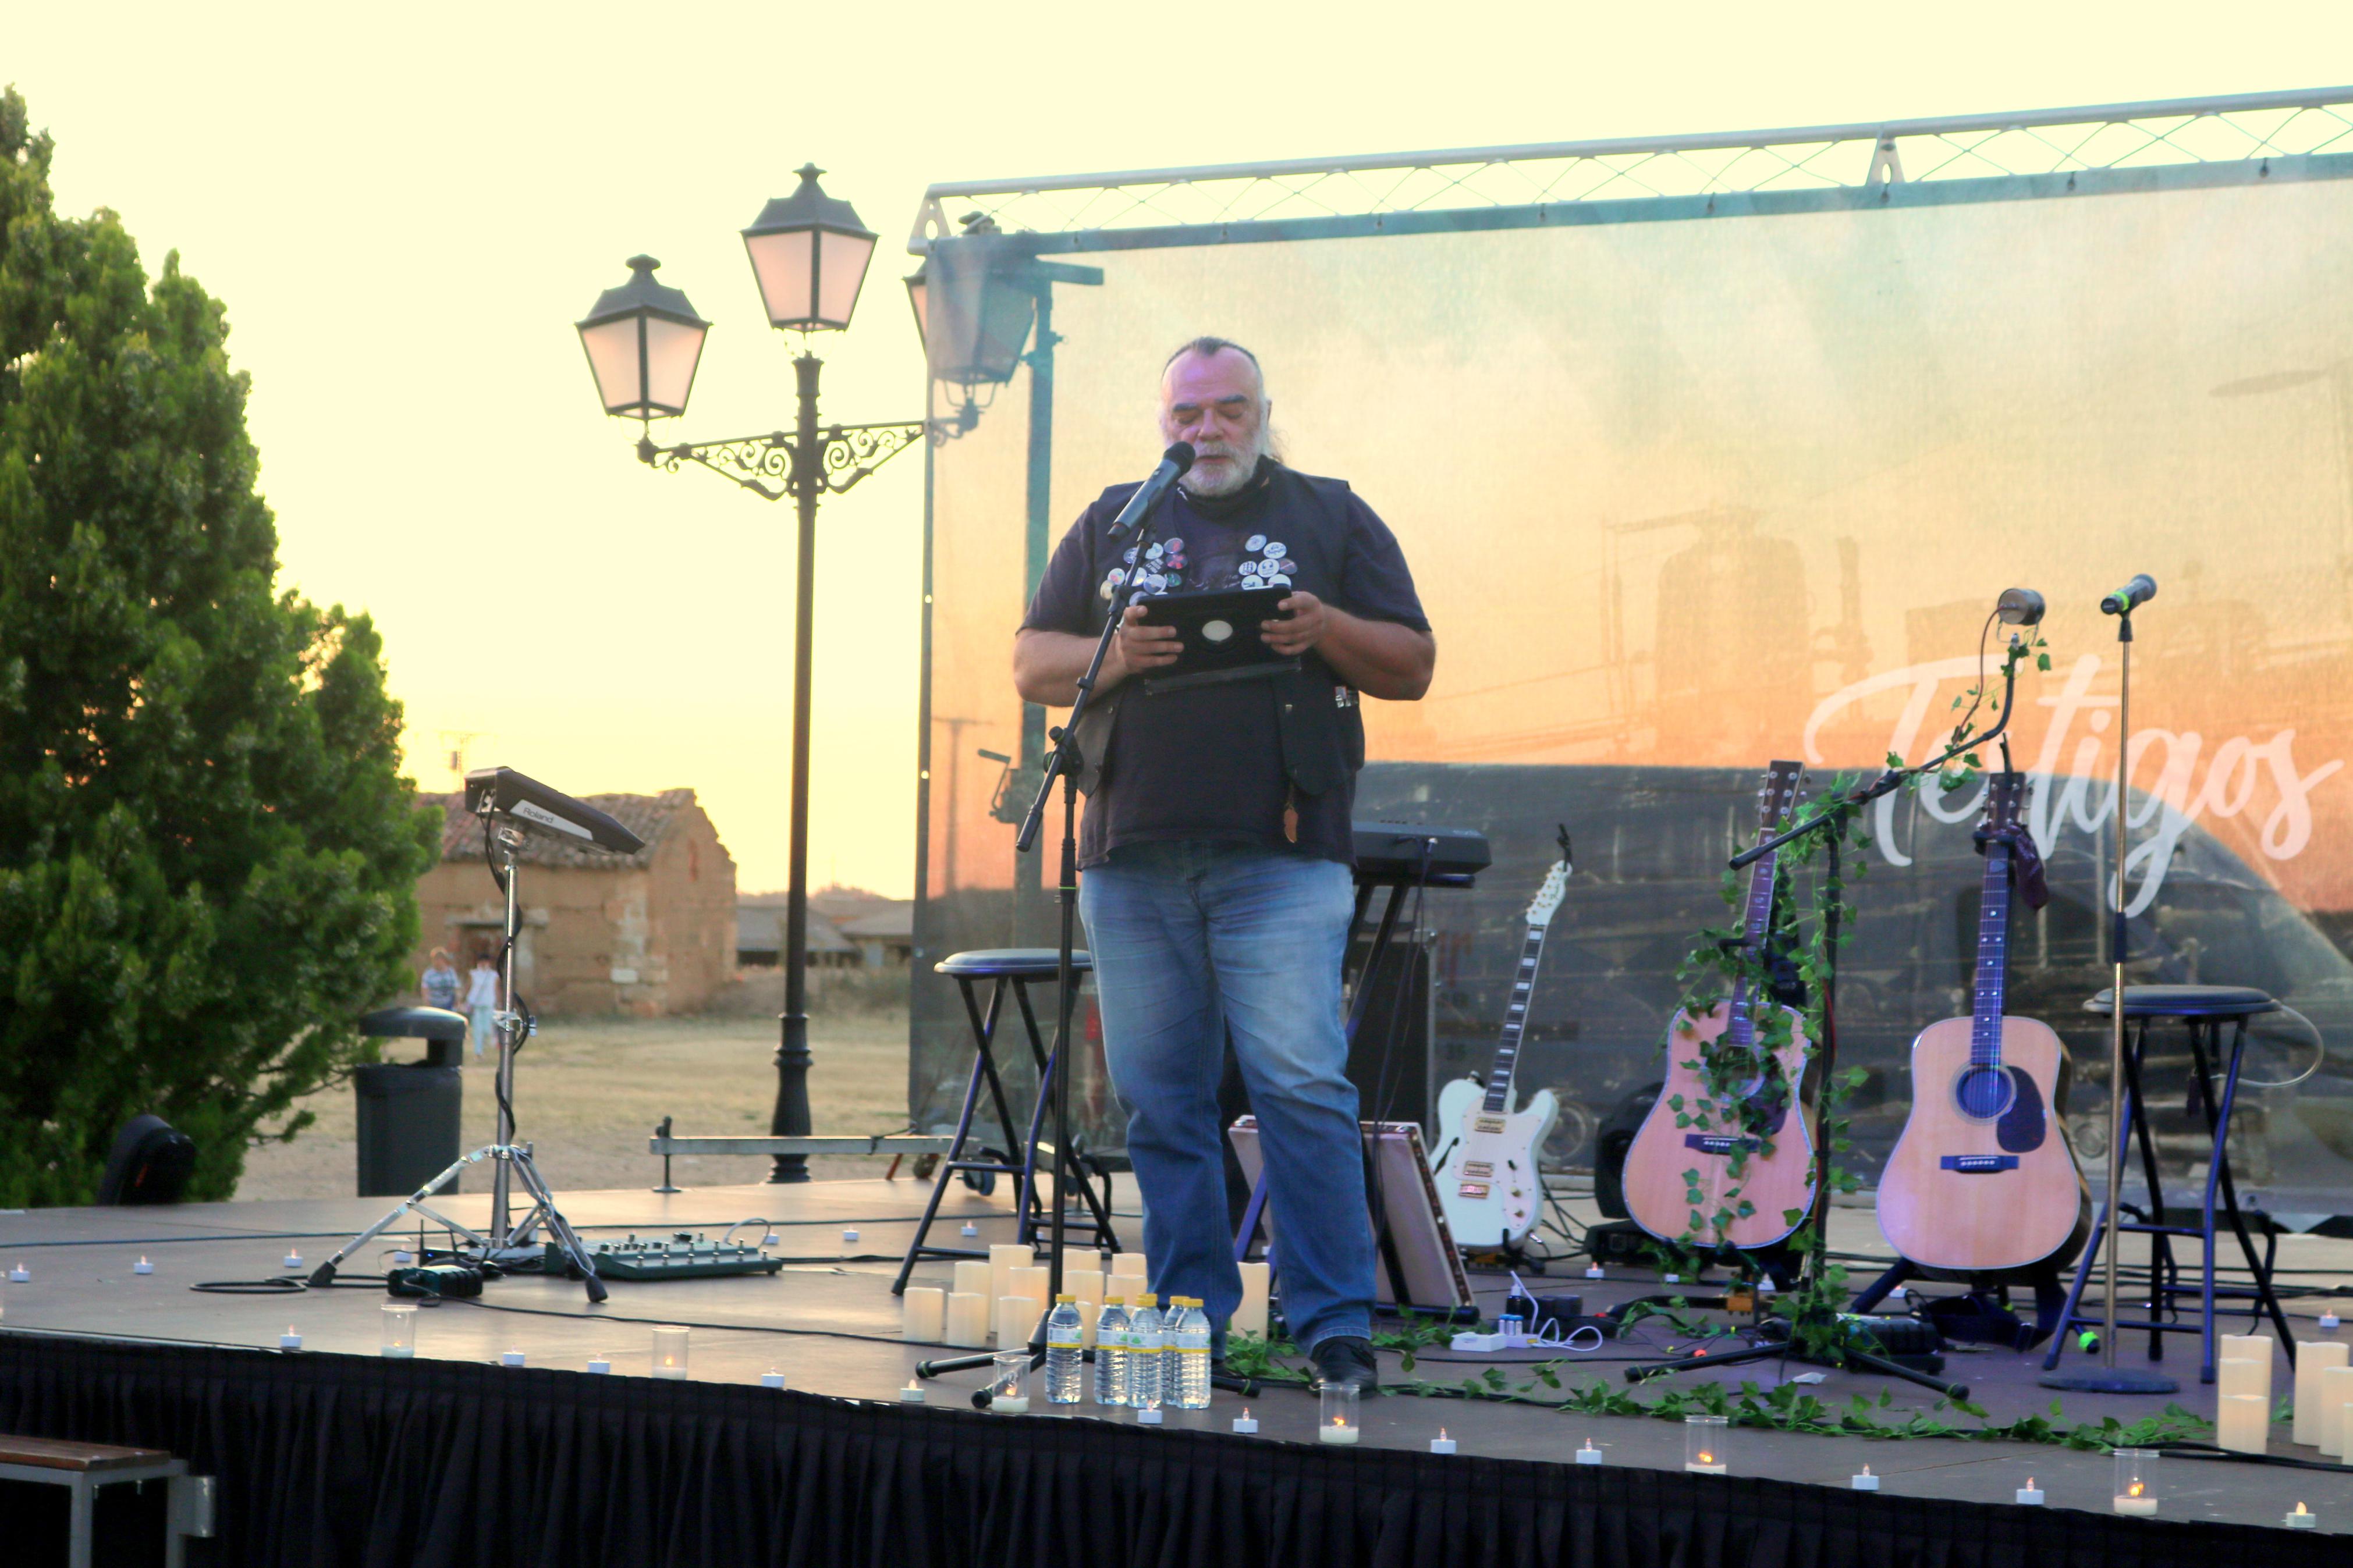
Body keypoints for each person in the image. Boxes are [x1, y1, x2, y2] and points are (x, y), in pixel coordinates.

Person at [1013, 336, 1435, 1394]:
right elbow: (1030, 660)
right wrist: (1116, 658)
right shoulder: (1114, 520)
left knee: (1299, 1086)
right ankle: (1189, 1316)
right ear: (1161, 419)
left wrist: (1322, 625)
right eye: (1186, 414)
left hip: (1280, 854)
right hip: (1128, 856)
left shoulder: (1329, 515)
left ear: (1261, 412)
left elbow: (1412, 664)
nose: (1205, 432)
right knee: (1161, 1100)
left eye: (1227, 411)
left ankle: (1332, 1322)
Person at [464, 953, 500, 1058]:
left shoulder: (494, 975)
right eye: (481, 962)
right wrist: (463, 999)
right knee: (478, 1030)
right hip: (476, 1005)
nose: (484, 964)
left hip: (489, 1004)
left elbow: (496, 989)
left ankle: (489, 1043)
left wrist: (499, 1003)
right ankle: (478, 1052)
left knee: (487, 1029)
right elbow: (469, 987)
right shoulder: (474, 974)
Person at [420, 947, 459, 1013]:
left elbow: (456, 988)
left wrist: (457, 1001)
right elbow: (425, 990)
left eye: (439, 959)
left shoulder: (451, 973)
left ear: (444, 960)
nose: (437, 962)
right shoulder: (429, 974)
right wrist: (427, 1005)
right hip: (434, 1006)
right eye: (435, 960)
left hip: (449, 1006)